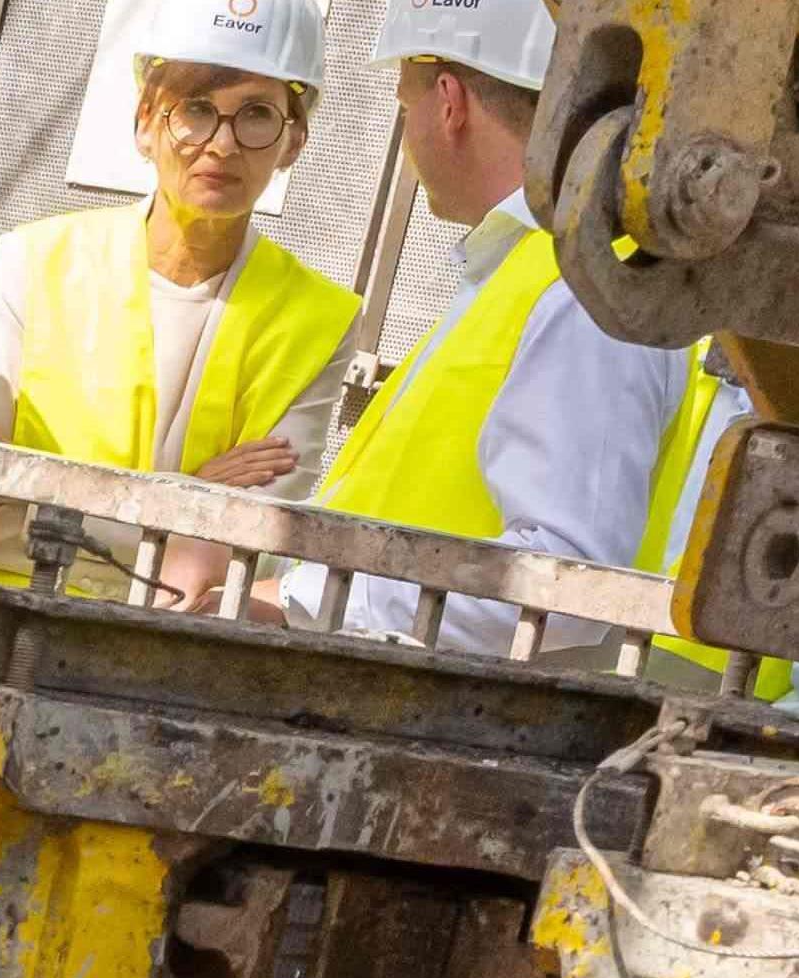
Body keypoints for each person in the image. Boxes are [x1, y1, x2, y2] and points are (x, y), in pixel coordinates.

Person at [294, 0, 737, 660]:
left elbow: (563, 583)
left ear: (449, 102)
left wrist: (319, 606)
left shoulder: (582, 289)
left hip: (450, 728)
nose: (406, 129)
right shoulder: (524, 275)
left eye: (403, 102)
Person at [0, 0, 351, 599]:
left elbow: (257, 541)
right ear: (146, 123)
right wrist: (185, 494)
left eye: (256, 115)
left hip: (164, 637)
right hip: (3, 602)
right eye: (195, 110)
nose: (222, 145)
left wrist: (83, 504)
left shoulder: (320, 318)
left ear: (293, 141)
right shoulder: (34, 262)